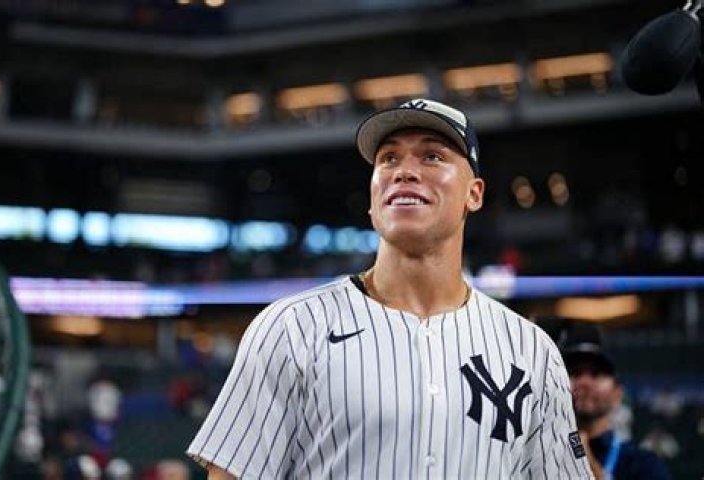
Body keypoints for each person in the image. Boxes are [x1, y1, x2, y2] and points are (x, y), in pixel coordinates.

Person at [187, 99, 593, 479]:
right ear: (372, 197)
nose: (404, 171)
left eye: (432, 156)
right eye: (389, 159)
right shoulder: (292, 328)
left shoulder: (531, 350)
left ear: (474, 194)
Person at [557, 321, 671, 480]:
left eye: (596, 374)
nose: (584, 382)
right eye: (574, 373)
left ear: (618, 394)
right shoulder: (540, 455)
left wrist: (583, 457)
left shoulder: (643, 465)